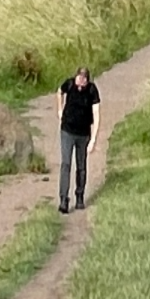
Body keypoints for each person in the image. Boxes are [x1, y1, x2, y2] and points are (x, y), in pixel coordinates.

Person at [56, 66, 101, 212]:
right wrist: (60, 110)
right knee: (66, 163)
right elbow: (59, 91)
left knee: (81, 166)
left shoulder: (92, 91)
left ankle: (79, 196)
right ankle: (63, 199)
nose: (81, 82)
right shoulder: (69, 84)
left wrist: (93, 139)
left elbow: (96, 115)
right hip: (67, 131)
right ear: (76, 77)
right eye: (79, 78)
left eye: (84, 79)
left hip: (83, 134)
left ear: (88, 80)